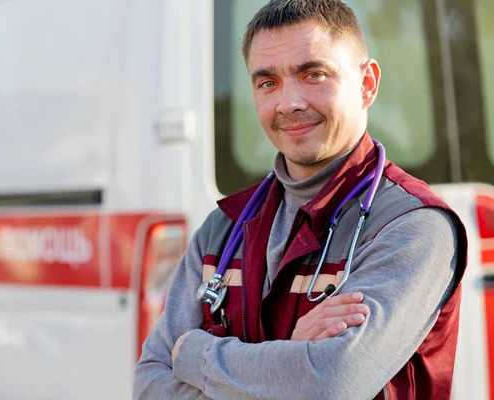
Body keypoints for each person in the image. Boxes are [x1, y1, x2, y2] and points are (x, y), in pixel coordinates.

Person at [133, 0, 468, 399]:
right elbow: (150, 385)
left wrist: (195, 354)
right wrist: (292, 357)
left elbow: (330, 383)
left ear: (367, 84)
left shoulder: (413, 227)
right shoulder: (221, 231)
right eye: (267, 82)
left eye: (313, 74)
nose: (289, 102)